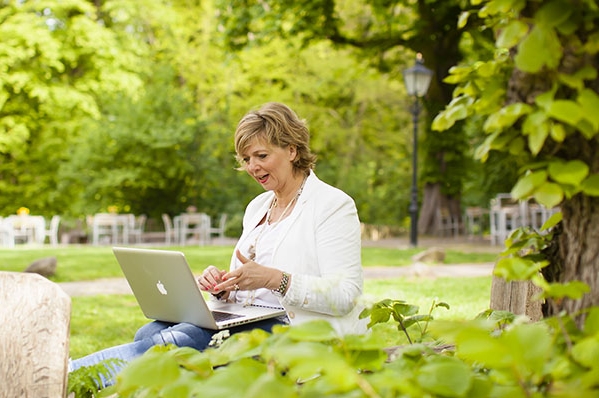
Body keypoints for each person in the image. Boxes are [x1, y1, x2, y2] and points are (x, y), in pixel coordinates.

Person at [69, 102, 365, 386]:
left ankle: (65, 377)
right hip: (247, 318)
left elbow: (345, 294)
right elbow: (247, 281)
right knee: (150, 331)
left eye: (261, 156)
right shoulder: (259, 207)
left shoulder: (332, 206)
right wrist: (224, 285)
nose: (252, 167)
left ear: (292, 150)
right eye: (246, 159)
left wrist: (277, 280)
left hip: (296, 329)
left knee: (178, 341)